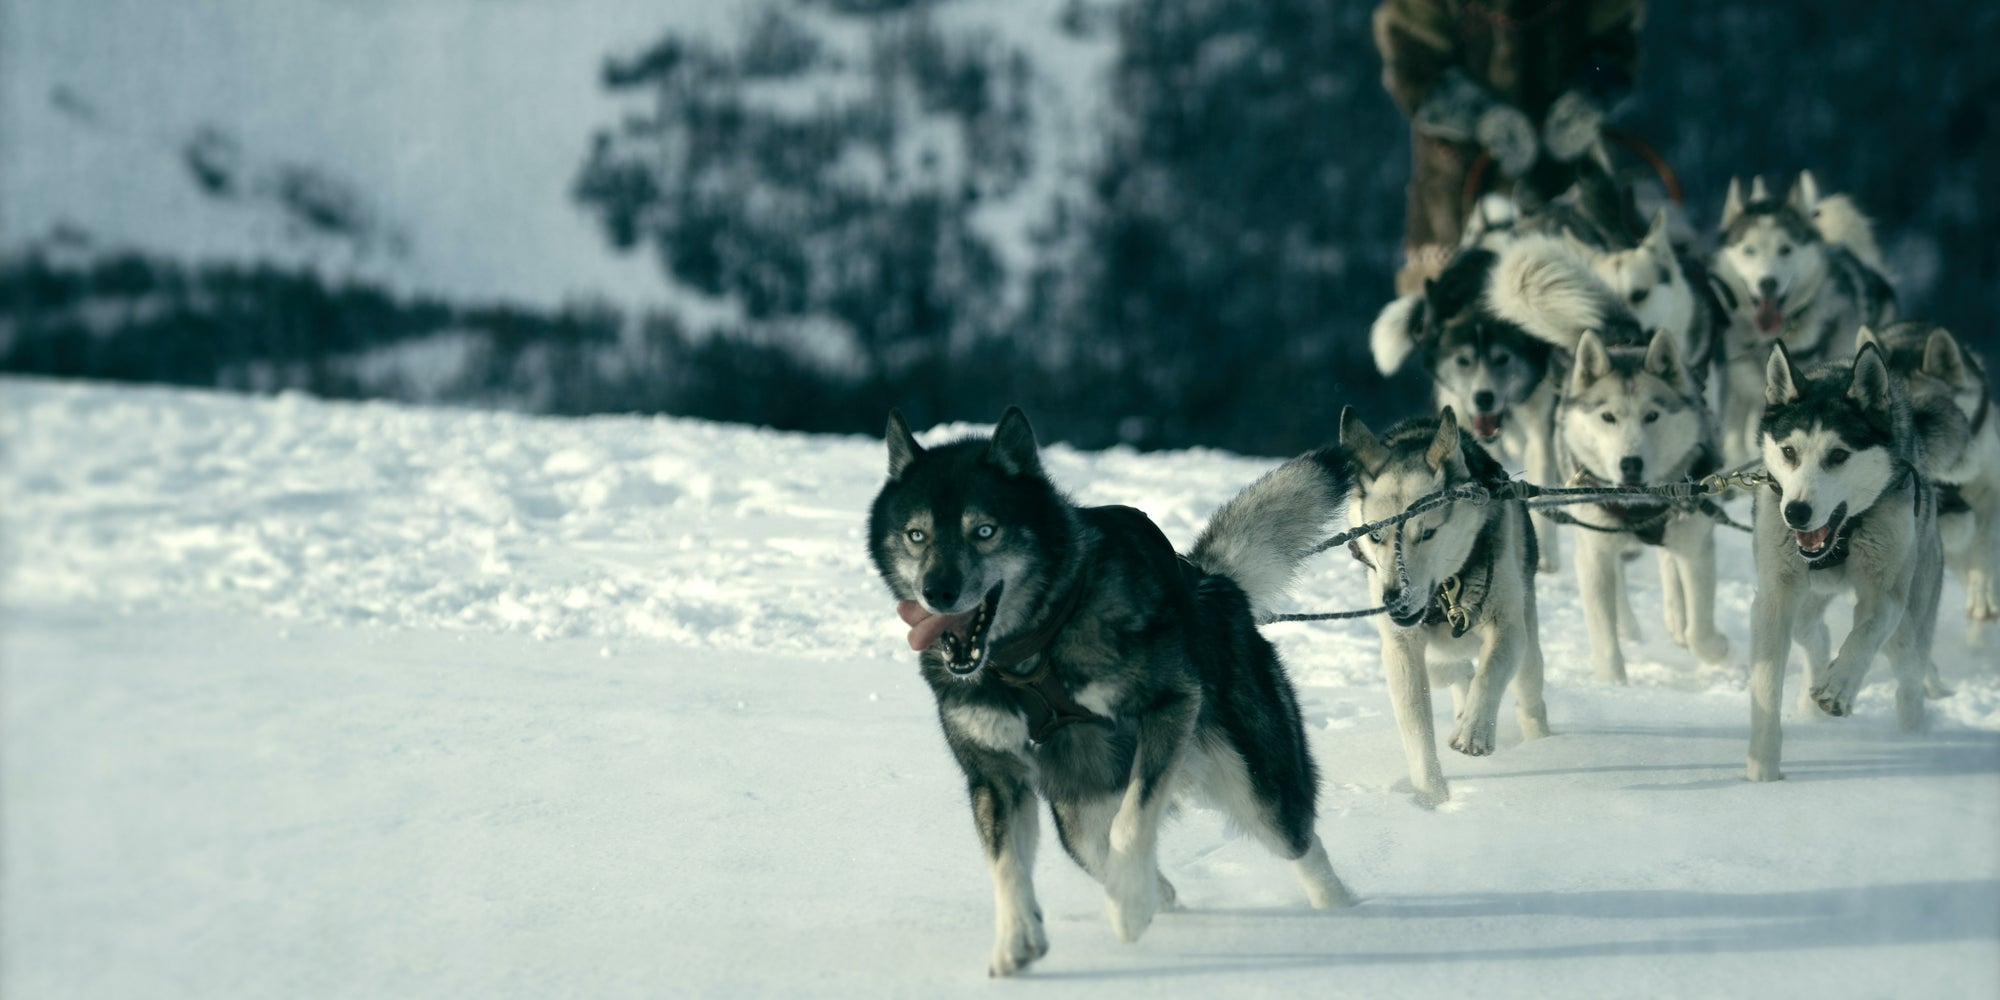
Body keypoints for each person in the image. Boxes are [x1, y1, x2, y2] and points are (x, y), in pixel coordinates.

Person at [1374, 0, 1645, 294]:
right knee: (1450, 301)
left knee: (1598, 293)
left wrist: (1587, 96)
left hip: (1570, 180)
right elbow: (1412, 64)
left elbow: (1614, 43)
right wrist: (1479, 116)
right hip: (1457, 192)